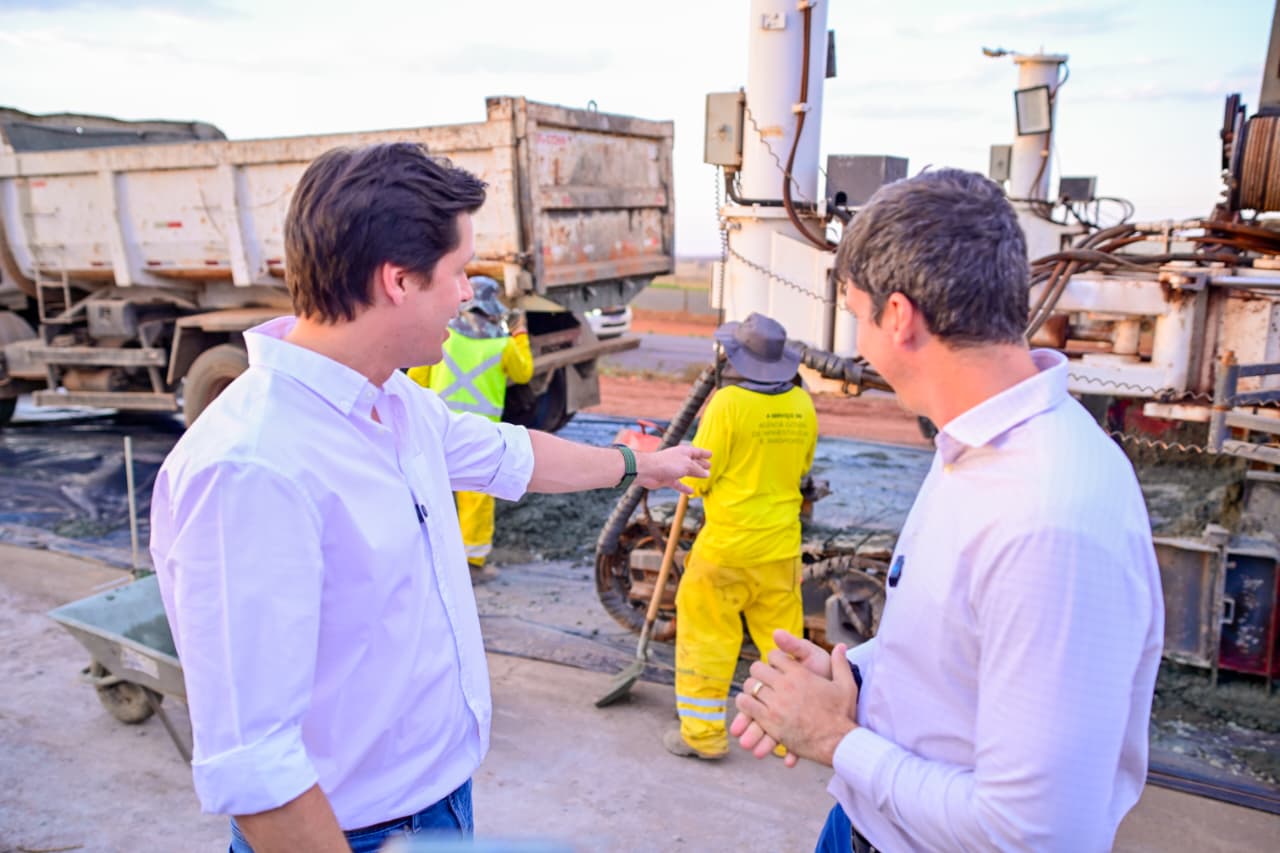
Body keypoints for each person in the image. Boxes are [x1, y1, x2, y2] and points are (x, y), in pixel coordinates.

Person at [148, 142, 710, 853]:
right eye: (458, 271)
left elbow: (511, 454)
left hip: (435, 807)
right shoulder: (252, 468)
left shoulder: (394, 401)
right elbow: (258, 772)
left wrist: (638, 463)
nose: (467, 294)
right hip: (353, 834)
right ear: (397, 281)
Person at [729, 169, 1164, 852]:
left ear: (899, 317)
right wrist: (852, 674)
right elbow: (956, 645)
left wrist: (835, 739)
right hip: (869, 820)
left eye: (858, 314)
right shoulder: (976, 441)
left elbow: (1035, 835)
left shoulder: (1049, 521)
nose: (858, 345)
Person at [664, 311, 817, 760]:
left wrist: (686, 478)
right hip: (781, 549)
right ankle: (789, 735)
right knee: (783, 649)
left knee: (707, 639)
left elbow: (697, 475)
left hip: (726, 550)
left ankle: (703, 736)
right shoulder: (803, 404)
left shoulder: (727, 404)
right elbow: (803, 468)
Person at [407, 275, 532, 575]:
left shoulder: (444, 336)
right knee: (476, 496)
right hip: (481, 431)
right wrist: (520, 335)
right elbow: (524, 373)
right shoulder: (502, 344)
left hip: (436, 426)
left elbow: (415, 379)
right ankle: (472, 561)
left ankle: (423, 555)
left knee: (428, 489)